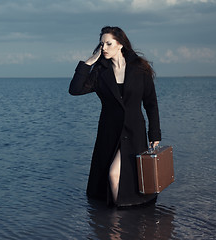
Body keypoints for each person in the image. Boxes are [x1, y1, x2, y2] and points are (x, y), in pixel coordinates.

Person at [69, 26, 161, 207]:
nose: (104, 48)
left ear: (120, 44)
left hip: (134, 130)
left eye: (108, 43)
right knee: (111, 176)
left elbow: (151, 103)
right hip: (108, 132)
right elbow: (75, 90)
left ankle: (117, 219)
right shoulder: (100, 72)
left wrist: (155, 134)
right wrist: (88, 62)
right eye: (101, 44)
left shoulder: (140, 68)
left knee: (116, 174)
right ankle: (117, 220)